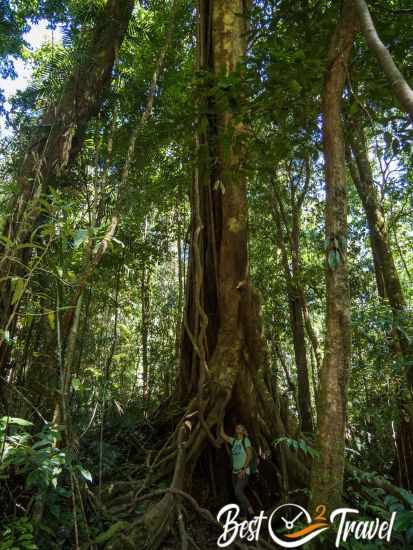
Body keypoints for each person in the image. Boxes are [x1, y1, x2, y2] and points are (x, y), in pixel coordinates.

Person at [220, 423, 255, 519]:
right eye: (237, 427)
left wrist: (243, 469)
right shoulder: (234, 441)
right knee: (238, 494)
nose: (237, 428)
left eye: (240, 427)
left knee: (238, 492)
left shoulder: (246, 440)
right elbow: (222, 435)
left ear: (243, 431)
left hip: (243, 471)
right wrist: (220, 419)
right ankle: (244, 516)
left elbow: (250, 455)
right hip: (234, 473)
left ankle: (251, 511)